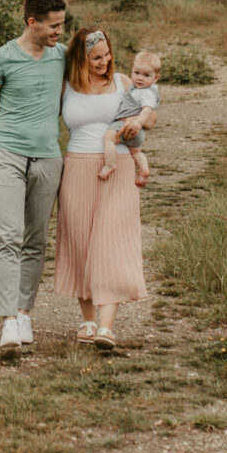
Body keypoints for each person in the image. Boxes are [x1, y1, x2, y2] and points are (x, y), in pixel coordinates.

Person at [0, 0, 68, 350]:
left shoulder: (63, 57)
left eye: (62, 25)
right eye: (53, 26)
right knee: (9, 236)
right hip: (7, 156)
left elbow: (99, 81)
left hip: (49, 159)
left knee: (36, 240)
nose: (59, 32)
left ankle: (24, 312)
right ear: (32, 22)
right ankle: (7, 320)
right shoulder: (1, 58)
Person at [53, 27, 156, 351]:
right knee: (81, 242)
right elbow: (40, 118)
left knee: (113, 242)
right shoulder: (66, 86)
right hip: (78, 169)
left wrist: (138, 123)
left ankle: (106, 327)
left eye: (107, 55)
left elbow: (150, 116)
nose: (105, 61)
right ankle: (87, 320)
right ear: (82, 58)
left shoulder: (123, 82)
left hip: (119, 167)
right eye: (96, 57)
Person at [98, 50, 161, 186]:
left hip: (127, 125)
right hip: (137, 133)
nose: (140, 78)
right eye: (137, 73)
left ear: (156, 78)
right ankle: (144, 170)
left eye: (146, 75)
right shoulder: (136, 88)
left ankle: (110, 164)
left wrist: (138, 122)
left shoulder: (147, 93)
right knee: (136, 151)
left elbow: (147, 110)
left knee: (108, 138)